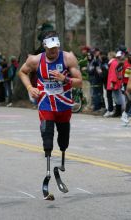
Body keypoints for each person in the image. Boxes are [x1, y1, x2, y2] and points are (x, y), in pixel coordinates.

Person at [18, 31, 82, 199]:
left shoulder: (68, 58)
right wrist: (29, 88)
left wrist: (64, 79)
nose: (54, 51)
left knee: (63, 138)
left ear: (59, 45)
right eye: (51, 48)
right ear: (45, 46)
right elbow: (22, 72)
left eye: (56, 48)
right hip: (45, 101)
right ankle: (47, 173)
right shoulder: (35, 60)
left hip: (63, 103)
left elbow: (80, 82)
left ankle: (60, 165)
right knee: (47, 136)